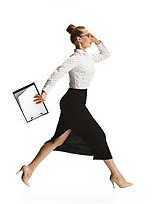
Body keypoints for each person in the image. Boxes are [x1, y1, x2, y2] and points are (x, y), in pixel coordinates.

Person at [16, 24, 133, 189]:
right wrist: (45, 92)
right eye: (88, 37)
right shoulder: (76, 58)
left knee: (57, 140)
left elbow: (106, 54)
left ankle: (29, 168)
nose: (91, 40)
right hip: (72, 103)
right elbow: (58, 72)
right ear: (79, 39)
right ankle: (116, 175)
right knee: (99, 135)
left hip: (77, 101)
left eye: (91, 36)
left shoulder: (87, 57)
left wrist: (96, 38)